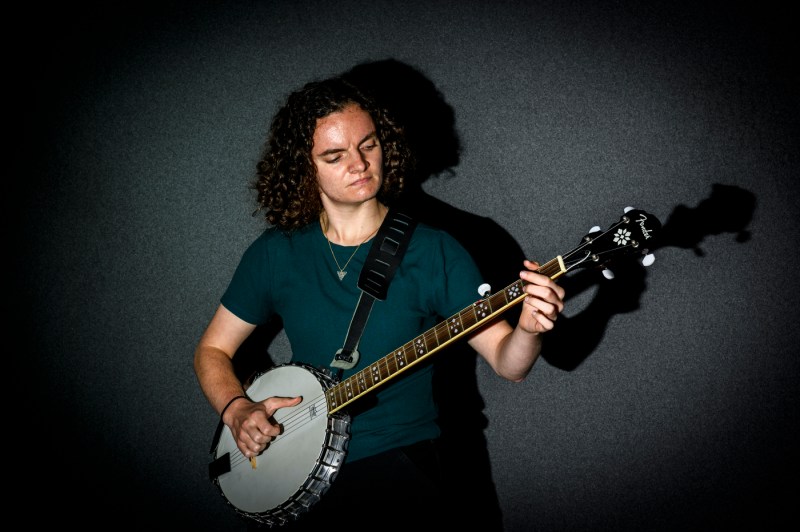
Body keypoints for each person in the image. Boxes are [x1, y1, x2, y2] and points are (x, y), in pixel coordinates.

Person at [193, 75, 566, 530]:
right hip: (297, 473)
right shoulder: (276, 253)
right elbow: (212, 351)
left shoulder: (434, 251)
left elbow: (510, 365)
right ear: (303, 168)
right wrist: (237, 408)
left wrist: (528, 329)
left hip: (401, 468)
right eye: (335, 155)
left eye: (368, 145)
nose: (359, 164)